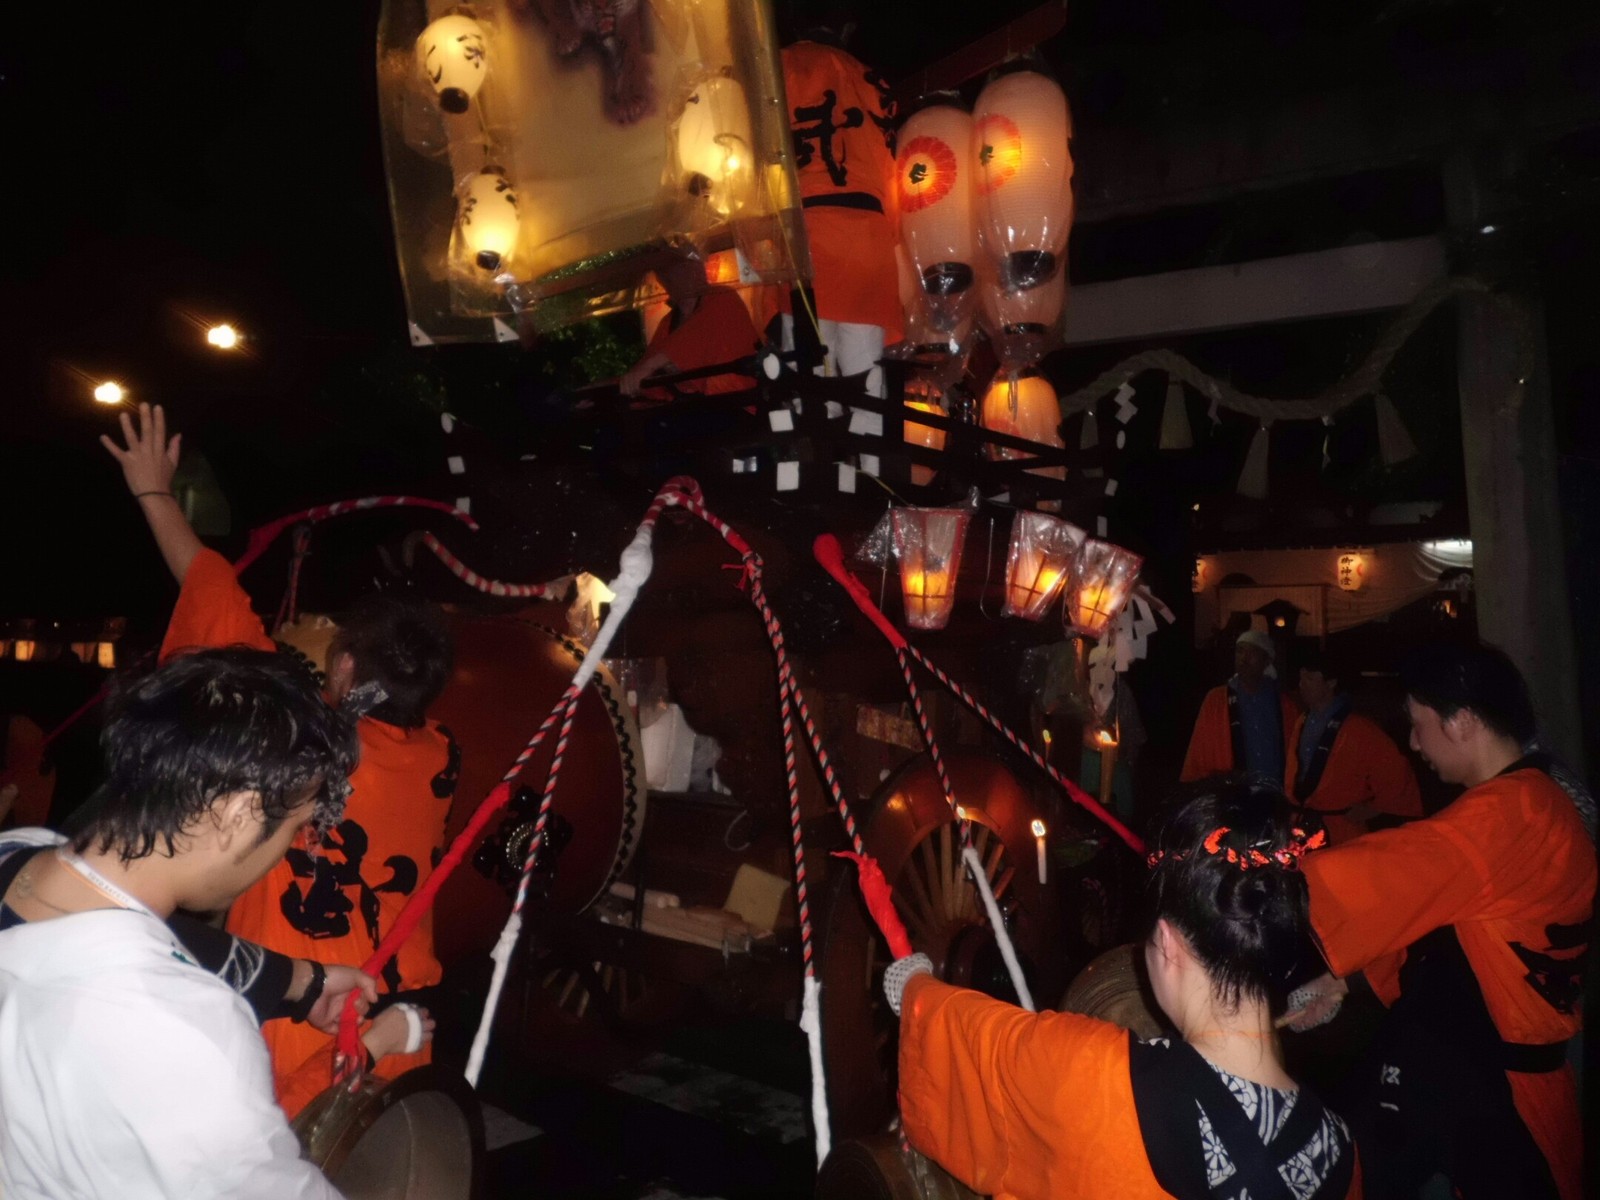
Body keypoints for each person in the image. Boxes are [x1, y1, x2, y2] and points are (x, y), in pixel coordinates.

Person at [102, 403, 456, 1117]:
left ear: (346, 666)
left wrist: (154, 491)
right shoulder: (440, 753)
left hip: (302, 1012)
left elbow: (214, 597)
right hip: (397, 1018)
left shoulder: (296, 741)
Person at [886, 778, 1359, 1199]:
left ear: (1167, 943)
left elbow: (985, 1046)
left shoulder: (1098, 1078)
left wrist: (913, 987)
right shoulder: (1339, 1151)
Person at [0, 648, 356, 1198]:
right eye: (296, 826)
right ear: (237, 814)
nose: (287, 848)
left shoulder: (21, 853)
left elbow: (130, 936)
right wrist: (369, 1050)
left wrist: (304, 982)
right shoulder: (187, 1029)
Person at [1288, 641, 1593, 1200]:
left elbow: (1393, 870)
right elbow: (1459, 924)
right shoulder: (1541, 792)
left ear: (1462, 721)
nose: (1412, 743)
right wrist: (1346, 983)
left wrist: (1263, 877)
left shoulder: (1509, 812)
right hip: (1490, 1063)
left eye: (1417, 724)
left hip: (1501, 1094)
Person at [778, 12, 902, 389]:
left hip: (807, 231)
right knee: (866, 381)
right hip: (869, 239)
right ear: (847, 28)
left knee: (810, 378)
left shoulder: (779, 67)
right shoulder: (874, 81)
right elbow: (889, 168)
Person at [1286, 647, 1422, 844]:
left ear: (1331, 682)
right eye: (1301, 678)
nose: (1302, 685)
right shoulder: (1302, 720)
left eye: (1310, 679)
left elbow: (1396, 773)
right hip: (1301, 825)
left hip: (1341, 829)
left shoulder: (1359, 726)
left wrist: (1373, 808)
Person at [620, 246, 762, 400]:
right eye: (665, 270)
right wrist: (627, 383)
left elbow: (692, 336)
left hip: (737, 403)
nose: (689, 270)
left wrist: (652, 366)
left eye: (689, 263)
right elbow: (644, 371)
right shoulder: (667, 323)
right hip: (697, 408)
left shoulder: (723, 297)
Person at [1182, 629, 1299, 787]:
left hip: (1274, 791)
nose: (1244, 658)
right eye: (1240, 651)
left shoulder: (1283, 703)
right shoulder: (1217, 699)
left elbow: (1295, 750)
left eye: (1252, 652)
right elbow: (1199, 748)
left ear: (1267, 660)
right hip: (1231, 791)